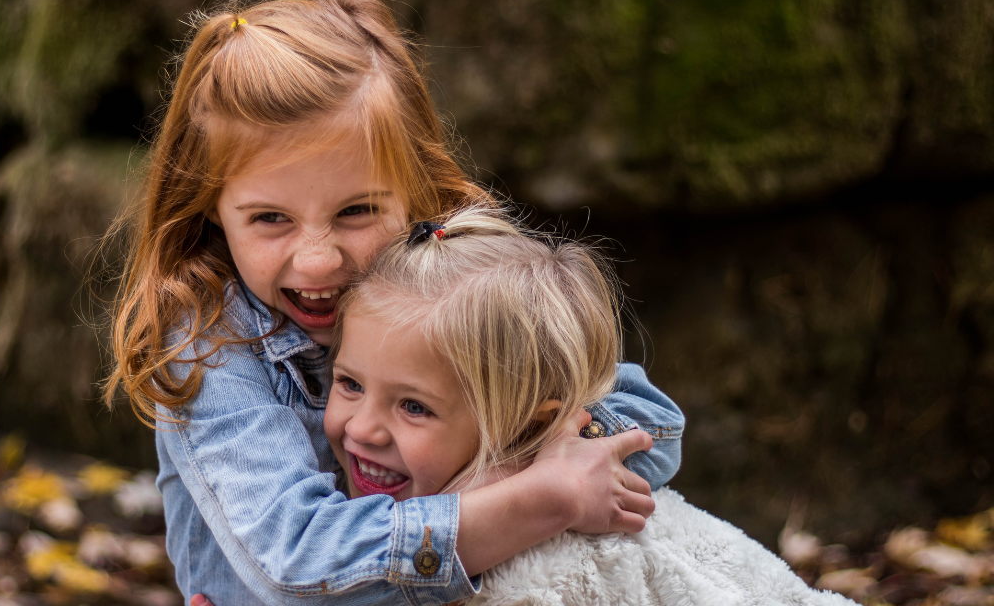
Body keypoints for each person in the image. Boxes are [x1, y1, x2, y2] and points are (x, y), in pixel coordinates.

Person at [103, 0, 684, 605]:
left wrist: (507, 481)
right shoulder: (210, 343)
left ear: (416, 187)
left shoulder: (453, 289)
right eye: (270, 219)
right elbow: (301, 569)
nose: (319, 258)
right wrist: (536, 498)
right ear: (212, 211)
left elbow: (650, 426)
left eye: (356, 210)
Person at [325, 207, 854, 606]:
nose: (363, 428)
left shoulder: (554, 567)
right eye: (349, 383)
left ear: (526, 428)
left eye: (414, 407)